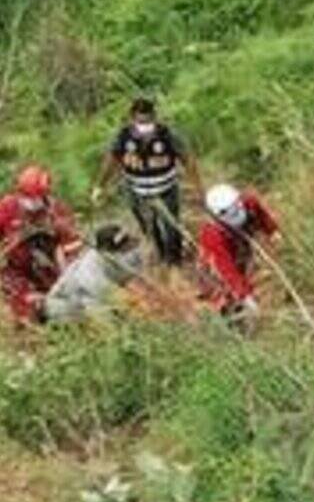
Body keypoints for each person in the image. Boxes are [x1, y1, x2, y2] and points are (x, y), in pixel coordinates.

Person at [95, 98, 203, 269]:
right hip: (137, 191)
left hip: (166, 189)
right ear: (132, 118)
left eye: (147, 119)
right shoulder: (124, 137)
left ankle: (175, 261)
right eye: (140, 120)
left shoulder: (167, 135)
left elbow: (188, 159)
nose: (144, 124)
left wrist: (198, 188)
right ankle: (161, 255)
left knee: (171, 227)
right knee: (148, 227)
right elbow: (111, 160)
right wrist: (100, 186)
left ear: (154, 116)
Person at [0, 166, 82, 324]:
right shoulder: (8, 207)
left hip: (48, 269)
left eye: (36, 197)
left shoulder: (56, 211)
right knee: (25, 307)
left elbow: (72, 246)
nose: (32, 202)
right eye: (27, 197)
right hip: (15, 270)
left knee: (55, 307)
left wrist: (69, 276)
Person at [197, 183, 280, 330]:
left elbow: (262, 217)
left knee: (245, 276)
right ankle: (231, 324)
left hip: (240, 250)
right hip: (216, 266)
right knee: (226, 294)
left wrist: (273, 232)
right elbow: (226, 269)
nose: (238, 215)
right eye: (231, 214)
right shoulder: (212, 235)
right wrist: (245, 296)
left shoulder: (248, 203)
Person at [44, 224, 144, 324]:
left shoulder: (114, 260)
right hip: (66, 310)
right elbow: (99, 314)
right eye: (125, 246)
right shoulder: (92, 276)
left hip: (94, 301)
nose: (131, 246)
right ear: (108, 252)